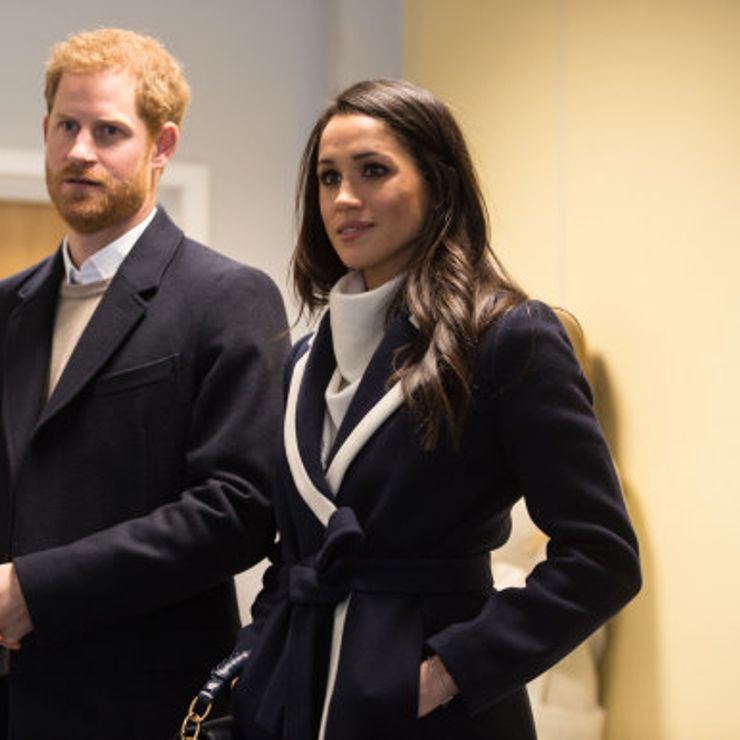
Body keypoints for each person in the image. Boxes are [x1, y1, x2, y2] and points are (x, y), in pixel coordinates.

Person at [229, 79, 642, 739]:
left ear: (438, 186)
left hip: (431, 710)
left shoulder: (509, 337)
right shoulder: (301, 359)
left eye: (373, 171)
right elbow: (293, 555)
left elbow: (601, 558)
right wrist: (253, 662)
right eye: (327, 177)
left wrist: (445, 672)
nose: (344, 198)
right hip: (293, 699)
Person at [0, 28, 289, 739]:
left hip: (134, 707)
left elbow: (237, 509)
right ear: (44, 133)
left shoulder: (228, 298)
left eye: (110, 131)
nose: (81, 150)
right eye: (67, 126)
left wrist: (37, 592)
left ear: (162, 147)